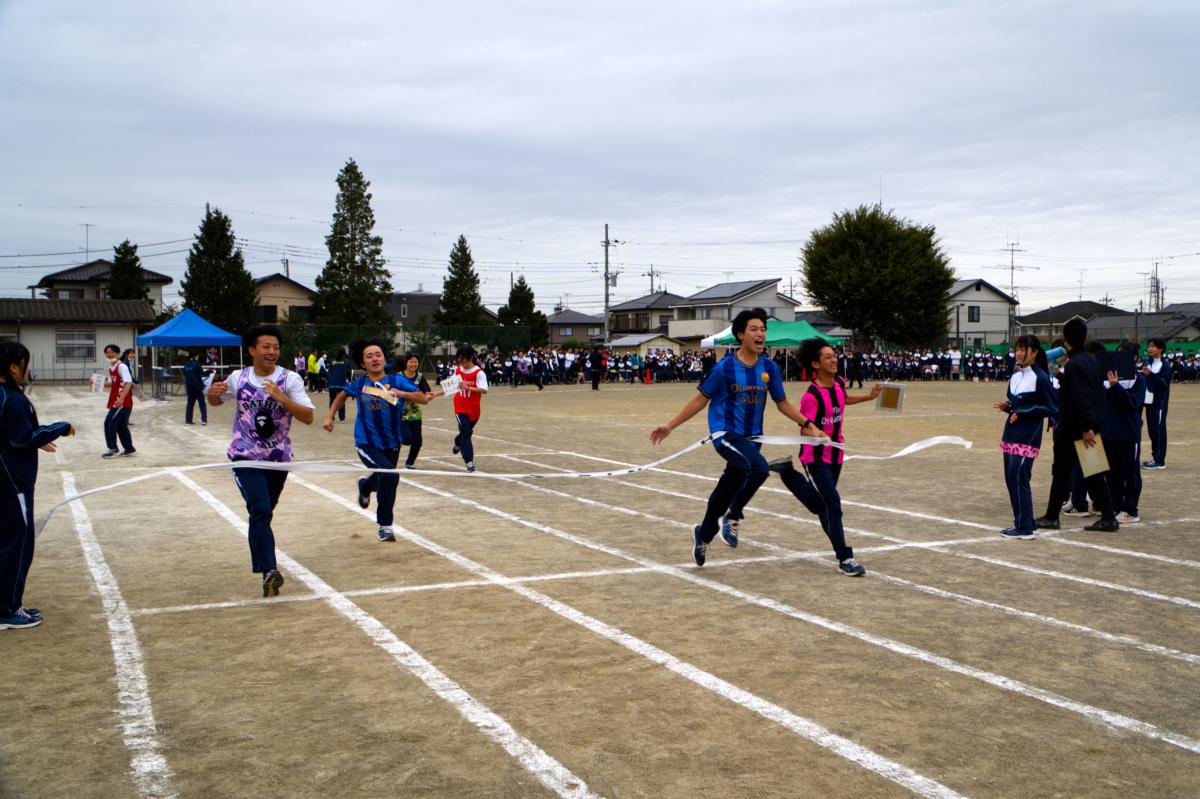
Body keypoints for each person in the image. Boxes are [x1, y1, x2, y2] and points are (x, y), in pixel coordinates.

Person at [650, 308, 824, 567]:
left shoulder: (770, 368)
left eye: (763, 329)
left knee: (728, 487)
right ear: (741, 335)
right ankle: (734, 514)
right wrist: (670, 425)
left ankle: (704, 533)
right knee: (759, 469)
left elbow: (782, 402)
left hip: (753, 437)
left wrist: (808, 424)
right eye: (754, 329)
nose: (760, 334)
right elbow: (701, 399)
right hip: (726, 433)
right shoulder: (725, 368)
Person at [207, 325, 315, 597]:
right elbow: (217, 401)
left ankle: (266, 567)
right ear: (252, 350)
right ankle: (269, 570)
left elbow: (308, 416)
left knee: (264, 513)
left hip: (278, 459)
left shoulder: (290, 380)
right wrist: (212, 394)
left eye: (276, 347)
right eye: (266, 347)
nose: (272, 352)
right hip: (245, 456)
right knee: (260, 509)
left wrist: (282, 398)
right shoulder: (237, 378)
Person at [769, 338, 880, 575]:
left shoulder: (839, 383)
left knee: (821, 506)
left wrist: (869, 397)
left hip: (836, 454)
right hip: (815, 457)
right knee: (833, 504)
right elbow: (803, 424)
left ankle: (787, 472)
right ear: (815, 364)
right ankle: (845, 558)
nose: (834, 359)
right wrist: (815, 431)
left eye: (834, 355)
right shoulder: (811, 396)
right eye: (827, 356)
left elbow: (843, 400)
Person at [325, 340, 431, 542]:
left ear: (385, 358)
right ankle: (385, 526)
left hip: (392, 443)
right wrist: (329, 416)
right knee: (390, 476)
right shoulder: (360, 384)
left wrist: (402, 394)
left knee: (385, 477)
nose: (375, 358)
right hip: (366, 443)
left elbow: (423, 398)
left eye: (378, 354)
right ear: (363, 363)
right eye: (369, 356)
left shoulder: (396, 381)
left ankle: (365, 486)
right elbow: (341, 396)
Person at [0, 342, 74, 630]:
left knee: (9, 542)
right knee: (17, 545)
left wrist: (36, 439)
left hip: (8, 480)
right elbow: (21, 438)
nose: (27, 370)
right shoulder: (12, 399)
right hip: (12, 483)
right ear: (14, 367)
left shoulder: (8, 397)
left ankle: (10, 602)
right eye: (24, 364)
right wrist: (61, 427)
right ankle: (7, 609)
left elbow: (12, 436)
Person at [1035, 318, 1118, 532]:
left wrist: (1086, 427)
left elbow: (1080, 398)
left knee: (1061, 472)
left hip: (1075, 428)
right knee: (1094, 472)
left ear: (1066, 339)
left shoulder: (1073, 365)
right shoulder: (1091, 360)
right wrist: (1062, 378)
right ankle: (1109, 517)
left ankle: (1052, 516)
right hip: (1089, 425)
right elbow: (1092, 393)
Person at [992, 335, 1058, 539]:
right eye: (1017, 349)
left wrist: (1023, 412)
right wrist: (1009, 408)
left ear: (1035, 352)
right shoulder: (1015, 376)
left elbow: (1050, 408)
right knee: (1011, 479)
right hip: (1010, 433)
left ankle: (1025, 527)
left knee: (1020, 478)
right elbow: (1017, 405)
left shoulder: (1041, 377)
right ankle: (1023, 522)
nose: (1019, 353)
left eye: (1024, 349)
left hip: (1028, 436)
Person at [1103, 342, 1146, 524]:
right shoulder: (1105, 380)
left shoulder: (1138, 379)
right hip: (1109, 431)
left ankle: (1130, 509)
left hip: (1129, 432)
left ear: (1134, 359)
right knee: (1112, 472)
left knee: (1131, 471)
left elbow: (1131, 404)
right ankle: (1115, 504)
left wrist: (1117, 388)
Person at [451, 345, 488, 472]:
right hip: (460, 407)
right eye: (459, 360)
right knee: (466, 431)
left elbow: (484, 390)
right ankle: (469, 461)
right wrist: (436, 394)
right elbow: (451, 386)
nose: (462, 363)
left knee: (465, 432)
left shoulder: (479, 373)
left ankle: (457, 441)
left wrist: (468, 388)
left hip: (474, 410)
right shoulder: (458, 370)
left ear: (471, 358)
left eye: (464, 360)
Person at [399, 352, 436, 469]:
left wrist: (428, 396)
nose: (413, 364)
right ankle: (394, 440)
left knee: (417, 441)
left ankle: (409, 463)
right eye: (411, 362)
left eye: (415, 362)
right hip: (400, 414)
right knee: (407, 438)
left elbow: (427, 392)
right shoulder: (398, 377)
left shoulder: (420, 377)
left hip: (415, 414)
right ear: (406, 363)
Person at [101, 343, 136, 458]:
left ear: (118, 353)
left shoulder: (122, 366)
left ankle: (113, 448)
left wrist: (121, 399)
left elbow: (129, 382)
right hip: (118, 401)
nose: (110, 354)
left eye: (112, 352)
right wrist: (96, 383)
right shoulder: (112, 368)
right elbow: (111, 384)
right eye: (107, 352)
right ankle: (129, 448)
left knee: (109, 422)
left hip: (122, 402)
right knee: (121, 425)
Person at [1141, 337, 1171, 469]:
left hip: (1159, 403)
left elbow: (1163, 384)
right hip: (1149, 402)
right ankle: (1154, 457)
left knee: (1159, 430)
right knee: (1152, 431)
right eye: (1149, 346)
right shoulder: (1148, 363)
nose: (1150, 349)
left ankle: (1160, 461)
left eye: (1153, 346)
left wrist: (1151, 375)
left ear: (1161, 349)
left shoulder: (1165, 366)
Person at [183, 351, 208, 425]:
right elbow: (202, 374)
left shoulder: (186, 365)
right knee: (202, 404)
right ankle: (204, 420)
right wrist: (210, 371)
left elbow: (185, 374)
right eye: (197, 355)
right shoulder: (197, 364)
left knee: (190, 404)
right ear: (195, 356)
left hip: (189, 387)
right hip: (197, 387)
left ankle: (188, 420)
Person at [326, 349, 350, 423]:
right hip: (341, 384)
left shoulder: (332, 361)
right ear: (344, 354)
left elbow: (328, 371)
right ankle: (341, 418)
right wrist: (349, 380)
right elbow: (349, 372)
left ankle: (331, 417)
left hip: (332, 384)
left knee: (332, 401)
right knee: (341, 401)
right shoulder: (346, 361)